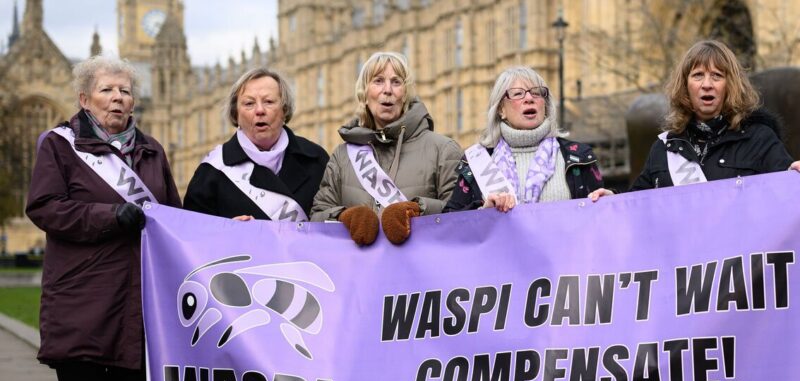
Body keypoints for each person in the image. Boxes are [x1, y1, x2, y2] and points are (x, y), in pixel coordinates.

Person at [25, 56, 181, 381]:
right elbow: (45, 207)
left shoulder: (152, 150)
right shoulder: (59, 145)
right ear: (84, 99)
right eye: (107, 89)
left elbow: (174, 218)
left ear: (133, 101)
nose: (117, 97)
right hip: (82, 299)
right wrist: (109, 216)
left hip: (138, 305)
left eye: (124, 90)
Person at [589, 40, 800, 200]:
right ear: (685, 86)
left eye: (717, 76)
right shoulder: (664, 148)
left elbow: (785, 192)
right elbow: (638, 203)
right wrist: (612, 199)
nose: (707, 84)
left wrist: (794, 174)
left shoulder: (759, 139)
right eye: (698, 75)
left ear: (730, 86)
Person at [311, 51, 462, 245]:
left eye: (396, 82)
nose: (388, 90)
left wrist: (418, 210)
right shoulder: (342, 157)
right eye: (378, 81)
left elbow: (463, 215)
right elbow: (316, 219)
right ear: (364, 94)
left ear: (405, 94)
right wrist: (344, 217)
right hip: (359, 264)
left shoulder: (444, 150)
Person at [444, 66, 603, 213]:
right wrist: (483, 213)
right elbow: (451, 223)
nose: (529, 98)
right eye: (518, 94)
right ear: (501, 109)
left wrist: (608, 200)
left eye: (537, 93)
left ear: (545, 105)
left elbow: (600, 218)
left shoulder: (578, 156)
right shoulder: (476, 162)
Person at [184, 68, 328, 221]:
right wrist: (226, 231)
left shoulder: (316, 159)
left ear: (284, 110)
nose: (260, 110)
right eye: (249, 103)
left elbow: (335, 220)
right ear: (235, 114)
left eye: (269, 102)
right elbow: (191, 230)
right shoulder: (213, 170)